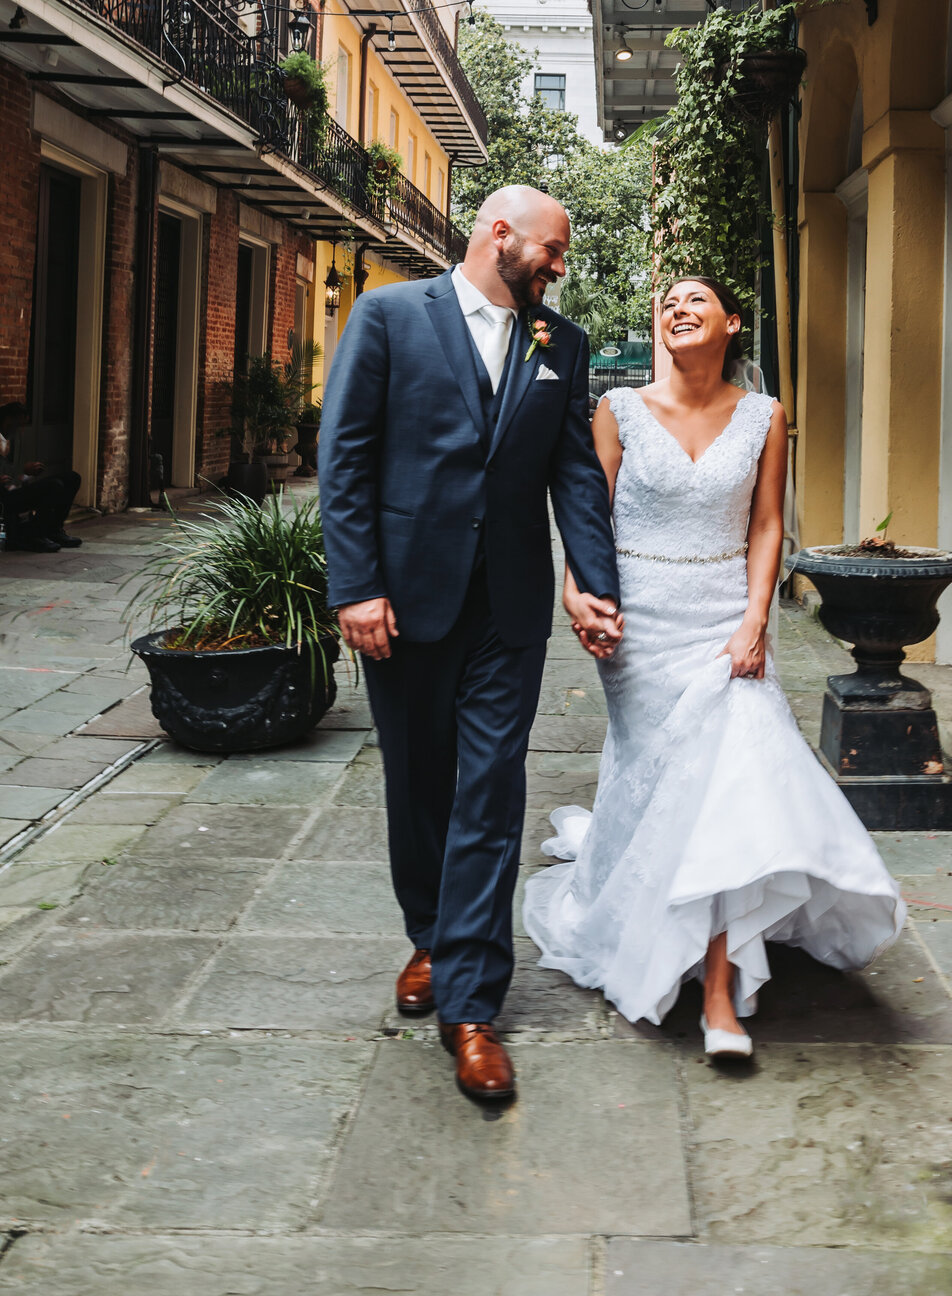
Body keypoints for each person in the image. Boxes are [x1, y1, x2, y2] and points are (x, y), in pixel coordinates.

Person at [523, 276, 905, 1059]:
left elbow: (767, 525)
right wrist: (577, 593)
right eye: (666, 302)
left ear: (733, 322)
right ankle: (641, 906)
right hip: (639, 623)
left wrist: (755, 619)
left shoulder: (766, 416)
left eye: (696, 298)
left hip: (725, 621)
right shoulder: (618, 409)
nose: (677, 308)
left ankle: (723, 990)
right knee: (655, 781)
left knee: (736, 778)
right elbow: (585, 515)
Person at [319, 187, 621, 1102]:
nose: (559, 266)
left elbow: (573, 473)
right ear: (501, 235)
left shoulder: (559, 346)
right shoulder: (388, 317)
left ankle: (472, 1006)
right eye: (553, 249)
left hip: (510, 608)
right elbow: (347, 456)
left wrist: (595, 583)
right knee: (419, 781)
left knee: (491, 790)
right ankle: (428, 935)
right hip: (405, 599)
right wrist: (356, 586)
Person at [0, 404, 82, 553]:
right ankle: (32, 536)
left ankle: (53, 530)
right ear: (8, 420)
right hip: (5, 496)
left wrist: (27, 472)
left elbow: (17, 476)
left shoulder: (12, 440)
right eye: (18, 425)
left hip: (17, 487)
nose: (20, 430)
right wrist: (21, 471)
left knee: (72, 478)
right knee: (54, 486)